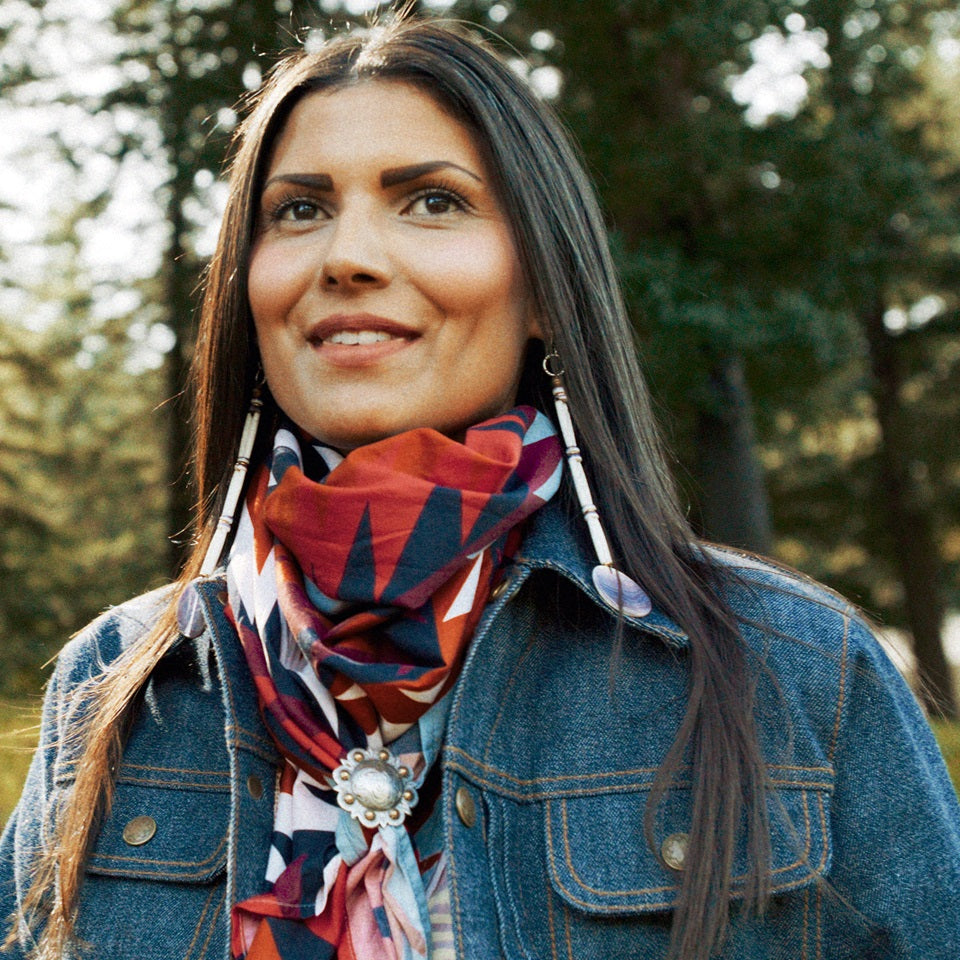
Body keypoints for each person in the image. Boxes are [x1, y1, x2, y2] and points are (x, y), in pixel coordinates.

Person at [2, 13, 960, 960]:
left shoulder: (798, 672)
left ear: (543, 286)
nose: (348, 256)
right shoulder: (120, 686)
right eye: (299, 209)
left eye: (431, 201)